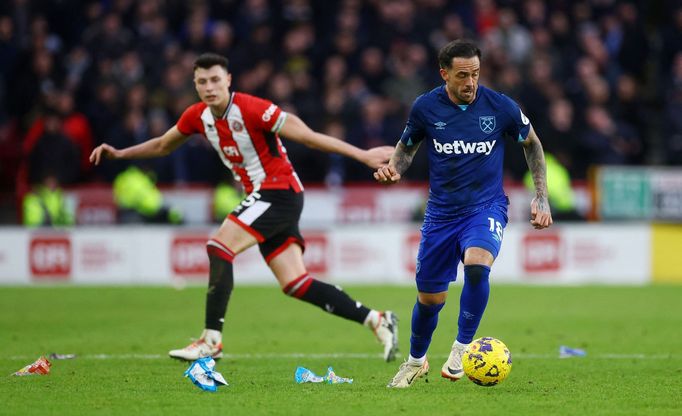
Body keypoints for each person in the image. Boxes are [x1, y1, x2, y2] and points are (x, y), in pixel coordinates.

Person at [89, 52, 399, 362]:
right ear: (195, 86)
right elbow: (161, 145)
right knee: (295, 283)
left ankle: (210, 340)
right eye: (202, 82)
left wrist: (362, 155)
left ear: (228, 80)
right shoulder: (197, 116)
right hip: (267, 197)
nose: (209, 87)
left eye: (215, 80)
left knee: (218, 247)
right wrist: (118, 154)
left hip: (279, 192)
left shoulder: (253, 109)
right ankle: (377, 320)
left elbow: (309, 137)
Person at [374, 40, 553, 388]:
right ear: (444, 74)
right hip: (440, 214)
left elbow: (532, 143)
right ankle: (415, 361)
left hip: (485, 207)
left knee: (477, 262)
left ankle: (461, 347)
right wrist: (394, 169)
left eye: (475, 74)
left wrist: (541, 197)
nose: (470, 82)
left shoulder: (500, 107)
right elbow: (406, 148)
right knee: (429, 299)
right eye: (461, 75)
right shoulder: (426, 107)